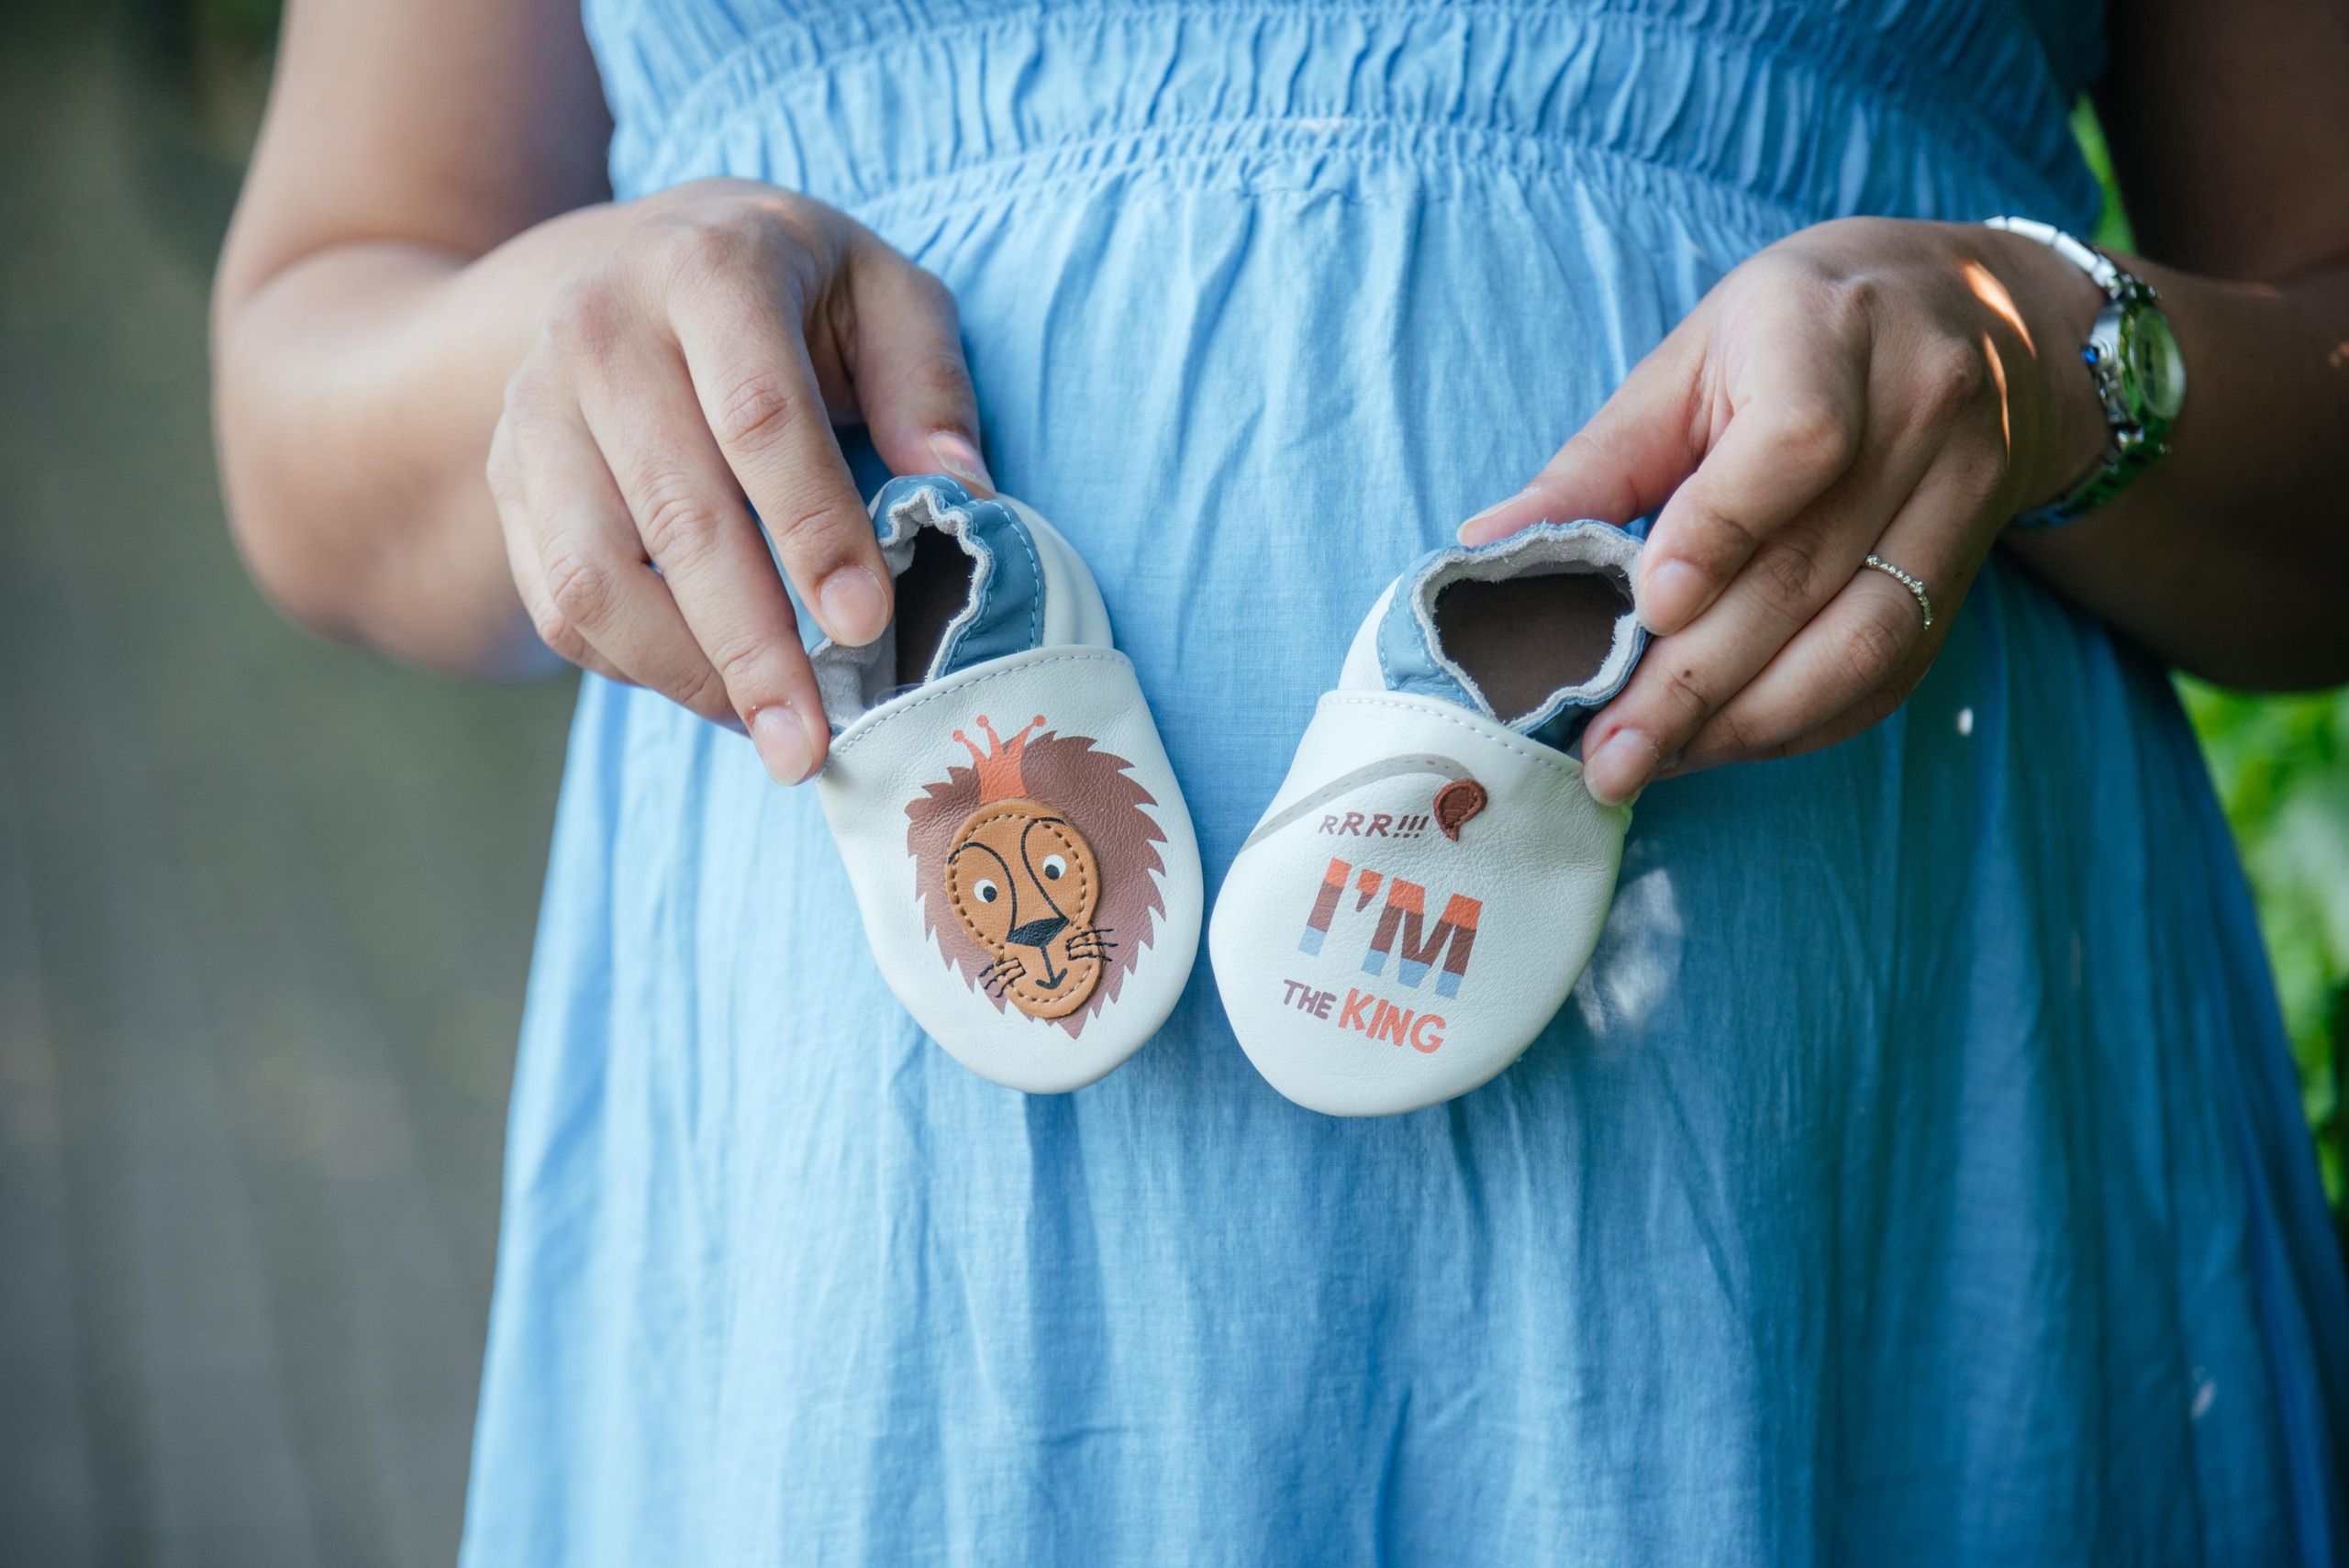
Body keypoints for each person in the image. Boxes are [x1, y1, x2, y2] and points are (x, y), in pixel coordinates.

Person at [212, 0, 2349, 1559]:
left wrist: (2040, 352)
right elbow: (307, 395)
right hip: (886, 1299)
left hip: (1847, 1216)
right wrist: (559, 348)